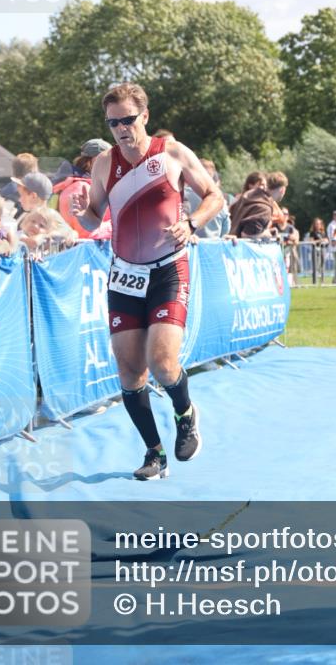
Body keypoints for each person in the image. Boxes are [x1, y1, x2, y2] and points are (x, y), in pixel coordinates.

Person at [70, 82, 223, 481]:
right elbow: (94, 218)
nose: (121, 128)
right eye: (112, 122)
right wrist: (79, 213)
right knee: (129, 370)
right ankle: (154, 453)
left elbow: (214, 196)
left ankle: (186, 413)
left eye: (127, 119)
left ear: (145, 117)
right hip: (124, 274)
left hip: (168, 269)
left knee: (162, 360)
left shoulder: (171, 153)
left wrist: (192, 223)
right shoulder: (105, 163)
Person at [52, 139, 113, 239]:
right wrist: (118, 225)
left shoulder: (81, 185)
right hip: (86, 252)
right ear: (95, 160)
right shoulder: (80, 189)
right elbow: (87, 232)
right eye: (108, 160)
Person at [229, 171, 287, 238]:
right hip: (241, 247)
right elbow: (246, 235)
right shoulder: (264, 208)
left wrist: (266, 231)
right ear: (283, 190)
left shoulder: (249, 195)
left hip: (231, 244)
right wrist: (268, 234)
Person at [184, 159, 230, 239]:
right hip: (212, 248)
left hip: (186, 246)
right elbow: (225, 230)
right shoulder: (220, 199)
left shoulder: (182, 195)